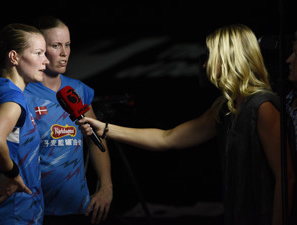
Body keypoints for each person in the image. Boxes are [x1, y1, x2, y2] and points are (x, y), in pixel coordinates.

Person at [76, 24, 296, 225]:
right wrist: (104, 128)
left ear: (229, 58)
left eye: (210, 55)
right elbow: (167, 139)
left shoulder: (263, 106)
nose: (204, 63)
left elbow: (286, 177)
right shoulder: (225, 107)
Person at [23, 16, 113, 225]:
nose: (64, 53)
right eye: (55, 45)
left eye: (67, 45)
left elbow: (96, 138)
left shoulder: (78, 90)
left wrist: (106, 187)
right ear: (40, 50)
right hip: (35, 211)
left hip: (77, 209)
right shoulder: (22, 92)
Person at [0, 23, 49, 224]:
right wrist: (12, 173)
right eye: (39, 53)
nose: (46, 61)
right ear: (14, 57)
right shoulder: (12, 99)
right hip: (12, 214)